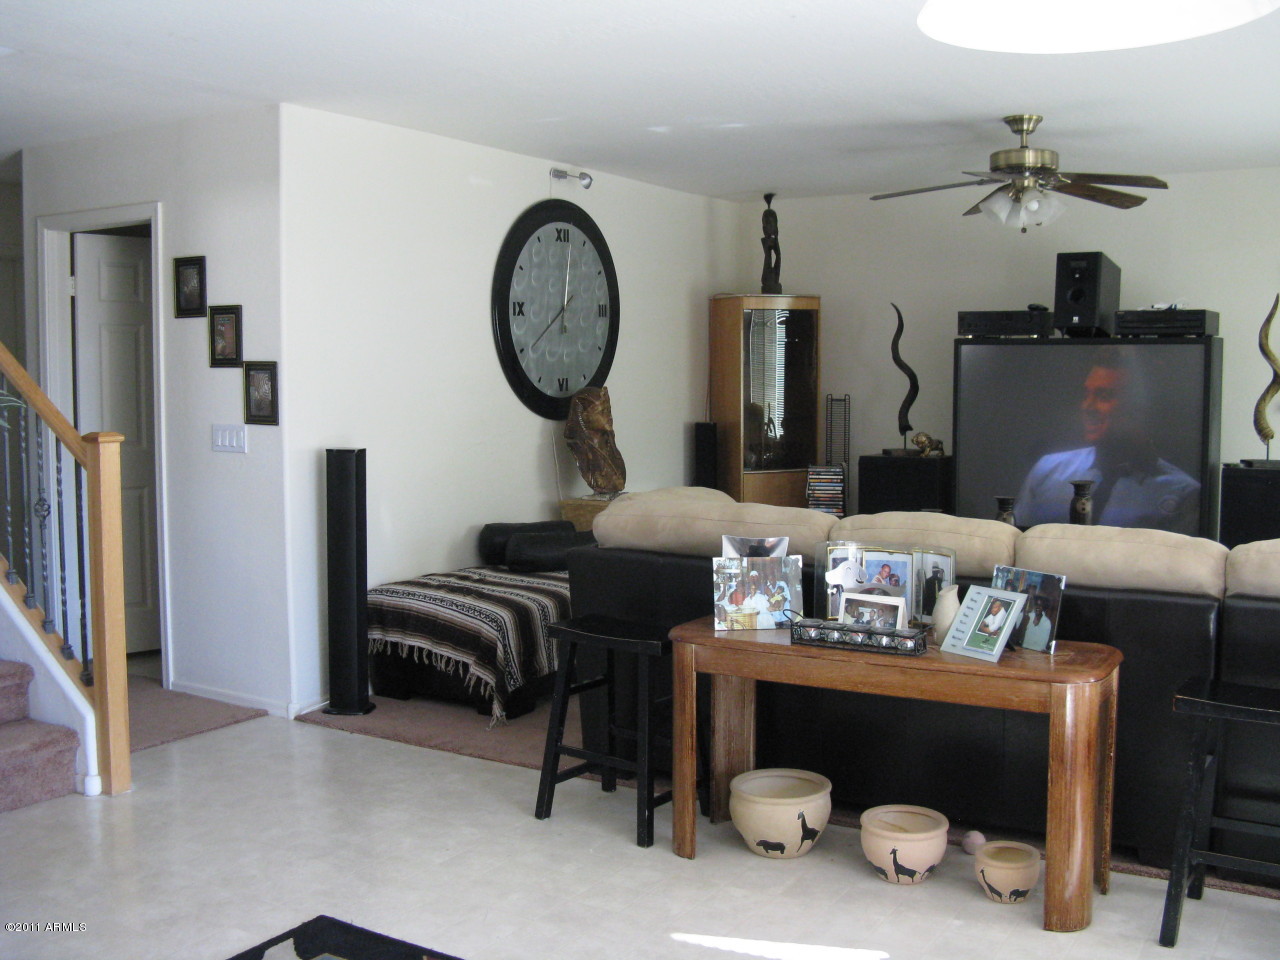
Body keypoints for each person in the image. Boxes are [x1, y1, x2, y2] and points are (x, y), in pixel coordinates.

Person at [1016, 346, 1200, 534]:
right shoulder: (1048, 469)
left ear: (1139, 406)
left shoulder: (1183, 493)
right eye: (1086, 394)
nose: (1088, 406)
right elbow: (1017, 546)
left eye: (1103, 396)